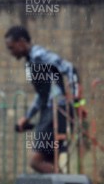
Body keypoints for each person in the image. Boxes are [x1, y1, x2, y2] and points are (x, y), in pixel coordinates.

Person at [5, 26, 82, 174]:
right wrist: (27, 118)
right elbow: (42, 95)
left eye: (11, 47)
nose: (11, 52)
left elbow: (70, 69)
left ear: (21, 42)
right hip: (49, 111)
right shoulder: (31, 61)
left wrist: (77, 102)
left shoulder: (39, 55)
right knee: (48, 161)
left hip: (57, 111)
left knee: (36, 161)